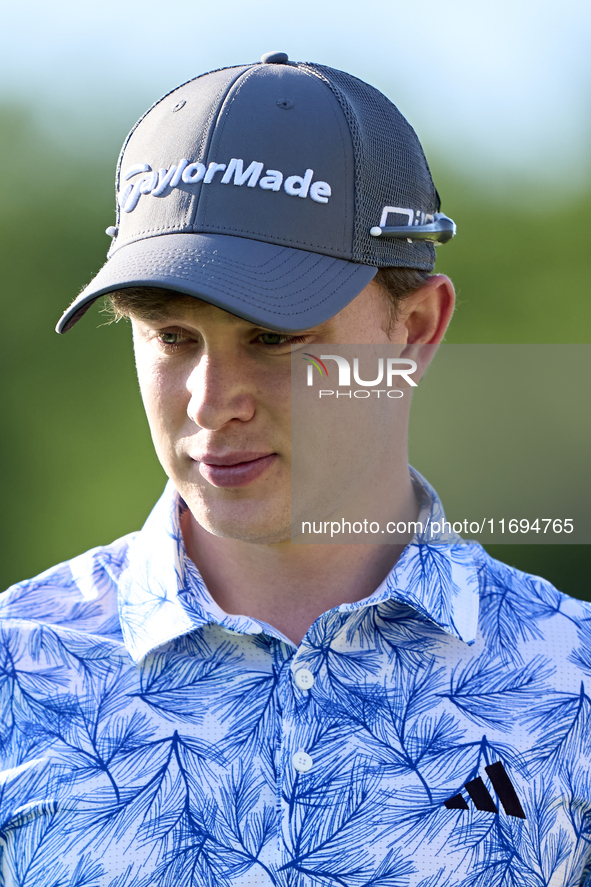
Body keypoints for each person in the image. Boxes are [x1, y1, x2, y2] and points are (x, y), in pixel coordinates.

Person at [1, 51, 590, 887]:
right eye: (171, 337)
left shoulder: (573, 683)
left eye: (273, 337)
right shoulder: (16, 670)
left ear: (415, 328)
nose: (211, 401)